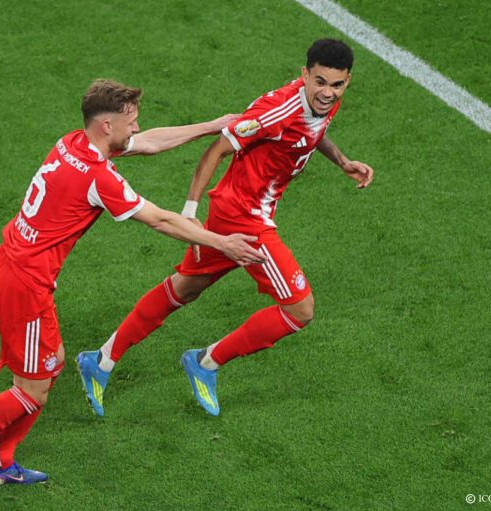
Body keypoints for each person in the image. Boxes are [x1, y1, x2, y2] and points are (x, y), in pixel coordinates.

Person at [0, 79, 266, 498]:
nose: (137, 128)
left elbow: (149, 143)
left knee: (52, 362)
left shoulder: (72, 142)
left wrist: (212, 125)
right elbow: (161, 220)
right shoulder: (99, 177)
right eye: (131, 121)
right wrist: (223, 243)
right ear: (107, 125)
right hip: (25, 284)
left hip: (10, 266)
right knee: (31, 392)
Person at [77, 39, 374, 417]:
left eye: (337, 85)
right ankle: (206, 361)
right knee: (300, 309)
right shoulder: (275, 112)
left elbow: (310, 132)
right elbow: (216, 150)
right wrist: (189, 210)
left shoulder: (321, 101)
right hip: (244, 219)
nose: (328, 93)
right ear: (304, 75)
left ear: (347, 81)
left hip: (237, 210)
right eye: (320, 82)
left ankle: (100, 360)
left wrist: (342, 160)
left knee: (185, 287)